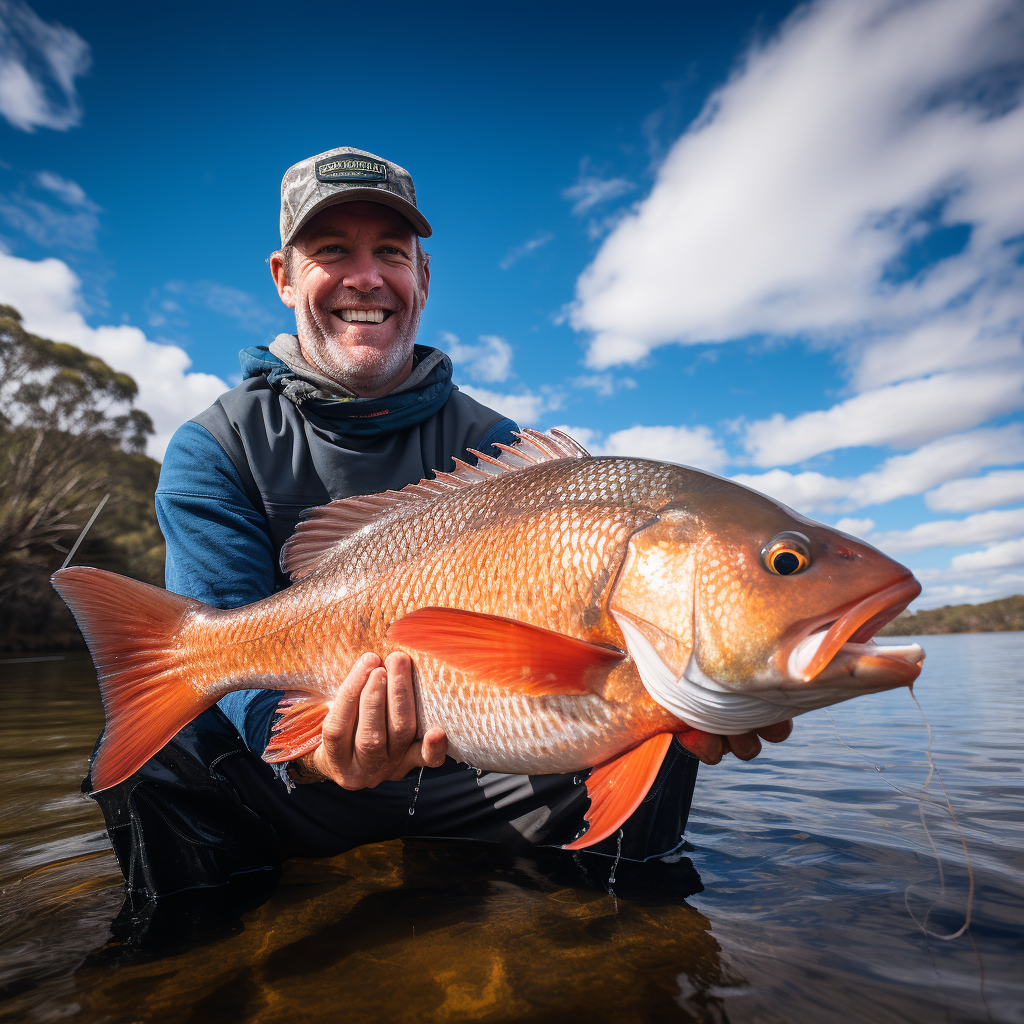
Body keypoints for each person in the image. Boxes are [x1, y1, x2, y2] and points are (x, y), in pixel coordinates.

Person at [89, 146, 791, 905]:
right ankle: (188, 968)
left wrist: (705, 693)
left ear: (422, 279)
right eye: (332, 251)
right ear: (283, 277)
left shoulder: (503, 449)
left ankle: (626, 946)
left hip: (479, 777)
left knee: (664, 700)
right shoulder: (213, 446)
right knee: (157, 753)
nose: (366, 276)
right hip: (294, 783)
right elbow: (223, 634)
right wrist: (315, 753)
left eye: (391, 252)